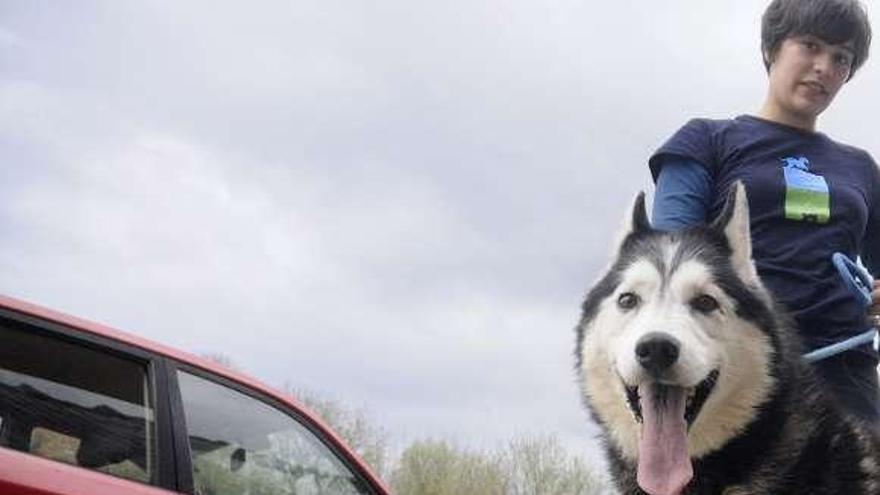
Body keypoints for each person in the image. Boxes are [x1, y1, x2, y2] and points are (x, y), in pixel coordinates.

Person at [649, 0, 880, 422]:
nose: (824, 66)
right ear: (772, 47)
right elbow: (667, 255)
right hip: (734, 371)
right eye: (810, 46)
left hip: (845, 374)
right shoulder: (706, 140)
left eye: (840, 58)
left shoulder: (862, 168)